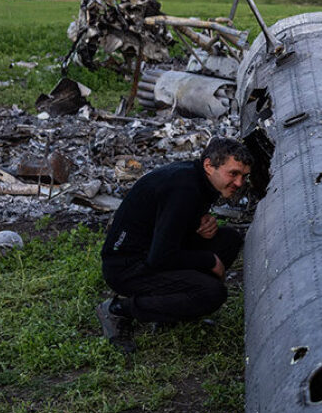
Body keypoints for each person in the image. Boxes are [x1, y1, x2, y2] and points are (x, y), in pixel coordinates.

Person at [96, 137, 254, 352]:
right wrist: (210, 260)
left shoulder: (196, 178)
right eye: (233, 174)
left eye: (244, 176)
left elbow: (167, 224)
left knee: (228, 240)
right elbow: (161, 256)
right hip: (127, 267)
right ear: (209, 165)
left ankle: (172, 310)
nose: (239, 183)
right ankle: (118, 310)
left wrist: (198, 225)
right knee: (211, 293)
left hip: (152, 250)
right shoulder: (184, 188)